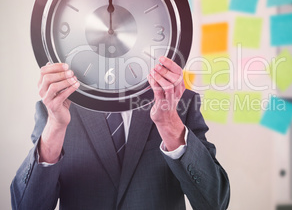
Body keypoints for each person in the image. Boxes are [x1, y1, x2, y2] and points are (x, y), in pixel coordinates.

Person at [10, 57, 230, 210]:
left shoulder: (179, 102)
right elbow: (26, 206)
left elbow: (214, 202)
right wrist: (55, 127)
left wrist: (170, 124)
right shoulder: (56, 106)